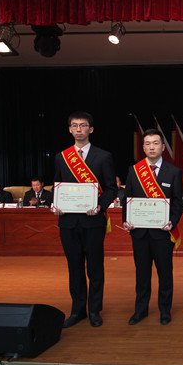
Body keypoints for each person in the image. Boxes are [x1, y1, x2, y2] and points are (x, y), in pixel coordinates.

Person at [52, 111, 116, 328]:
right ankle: (77, 310)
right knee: (74, 267)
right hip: (68, 223)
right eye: (75, 125)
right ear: (69, 129)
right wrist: (55, 203)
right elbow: (57, 186)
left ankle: (94, 310)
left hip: (93, 222)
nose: (79, 129)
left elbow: (111, 188)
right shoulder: (62, 157)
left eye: (83, 125)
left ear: (91, 129)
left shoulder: (103, 156)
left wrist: (100, 206)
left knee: (95, 268)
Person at [122, 129, 183, 326]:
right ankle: (141, 310)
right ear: (143, 147)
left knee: (165, 274)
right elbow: (127, 199)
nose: (151, 147)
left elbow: (177, 202)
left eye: (155, 143)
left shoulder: (173, 172)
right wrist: (126, 219)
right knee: (142, 274)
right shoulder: (134, 170)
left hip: (163, 233)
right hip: (139, 233)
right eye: (147, 143)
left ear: (163, 147)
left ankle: (165, 310)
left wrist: (172, 221)